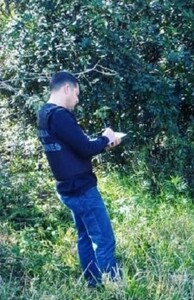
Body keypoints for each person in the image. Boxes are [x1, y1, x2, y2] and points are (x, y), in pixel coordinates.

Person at [37, 71, 122, 287]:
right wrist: (106, 137)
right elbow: (84, 148)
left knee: (85, 237)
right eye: (76, 94)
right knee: (104, 240)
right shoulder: (60, 115)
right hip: (82, 189)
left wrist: (103, 143)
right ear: (67, 88)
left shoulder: (44, 114)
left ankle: (93, 285)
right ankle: (115, 289)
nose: (77, 100)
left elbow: (73, 148)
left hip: (67, 188)